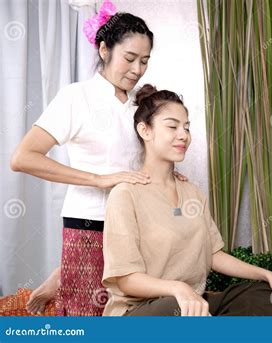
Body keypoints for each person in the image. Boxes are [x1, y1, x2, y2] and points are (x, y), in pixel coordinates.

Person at [10, 1, 185, 316]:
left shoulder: (141, 104)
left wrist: (168, 176)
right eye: (129, 58)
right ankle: (65, 274)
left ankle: (62, 273)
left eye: (144, 61)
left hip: (135, 222)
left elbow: (147, 155)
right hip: (90, 221)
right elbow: (23, 157)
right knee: (88, 313)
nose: (137, 69)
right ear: (104, 50)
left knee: (127, 309)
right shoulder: (76, 97)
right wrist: (99, 179)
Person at [102, 85, 272, 316]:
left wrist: (268, 275)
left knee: (270, 298)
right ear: (145, 130)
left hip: (194, 304)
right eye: (172, 126)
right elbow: (126, 280)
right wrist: (178, 289)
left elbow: (213, 255)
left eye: (186, 127)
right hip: (142, 311)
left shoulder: (192, 193)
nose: (183, 135)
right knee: (176, 309)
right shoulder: (125, 194)